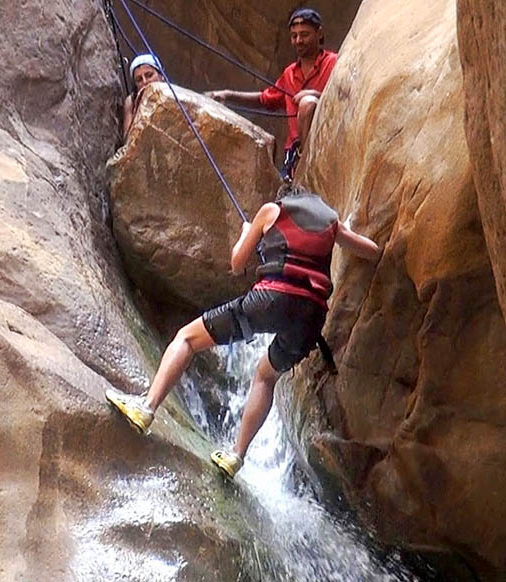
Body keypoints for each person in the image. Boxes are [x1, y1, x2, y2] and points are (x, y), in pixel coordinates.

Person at [106, 184, 380, 479]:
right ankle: (236, 456)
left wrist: (247, 232)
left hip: (270, 300)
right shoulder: (332, 224)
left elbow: (237, 264)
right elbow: (372, 251)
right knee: (266, 375)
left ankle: (146, 408)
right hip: (311, 318)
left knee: (186, 338)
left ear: (286, 198)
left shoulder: (272, 211)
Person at [206, 8, 338, 181]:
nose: (298, 41)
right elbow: (264, 99)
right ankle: (299, 169)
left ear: (319, 33)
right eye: (294, 36)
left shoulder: (334, 63)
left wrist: (315, 95)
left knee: (307, 103)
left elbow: (345, 96)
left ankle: (307, 169)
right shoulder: (290, 73)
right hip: (293, 155)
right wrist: (227, 95)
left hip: (327, 146)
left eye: (304, 34)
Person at [122, 54, 167, 139]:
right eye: (139, 80)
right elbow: (127, 139)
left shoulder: (174, 94)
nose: (145, 82)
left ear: (161, 76)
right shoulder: (132, 102)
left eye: (149, 75)